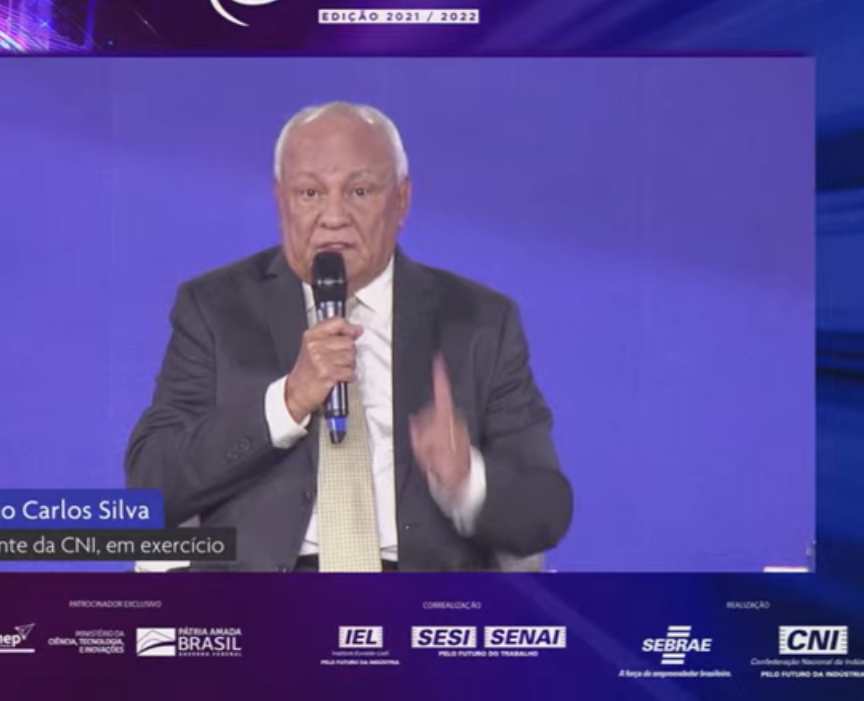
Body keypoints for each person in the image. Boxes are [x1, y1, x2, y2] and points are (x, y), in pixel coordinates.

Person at [125, 101, 572, 572]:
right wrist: (287, 403)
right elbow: (152, 485)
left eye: (360, 191)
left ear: (401, 200)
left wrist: (467, 481)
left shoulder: (479, 321)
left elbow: (545, 513)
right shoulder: (216, 308)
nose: (333, 216)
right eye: (310, 193)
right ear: (281, 201)